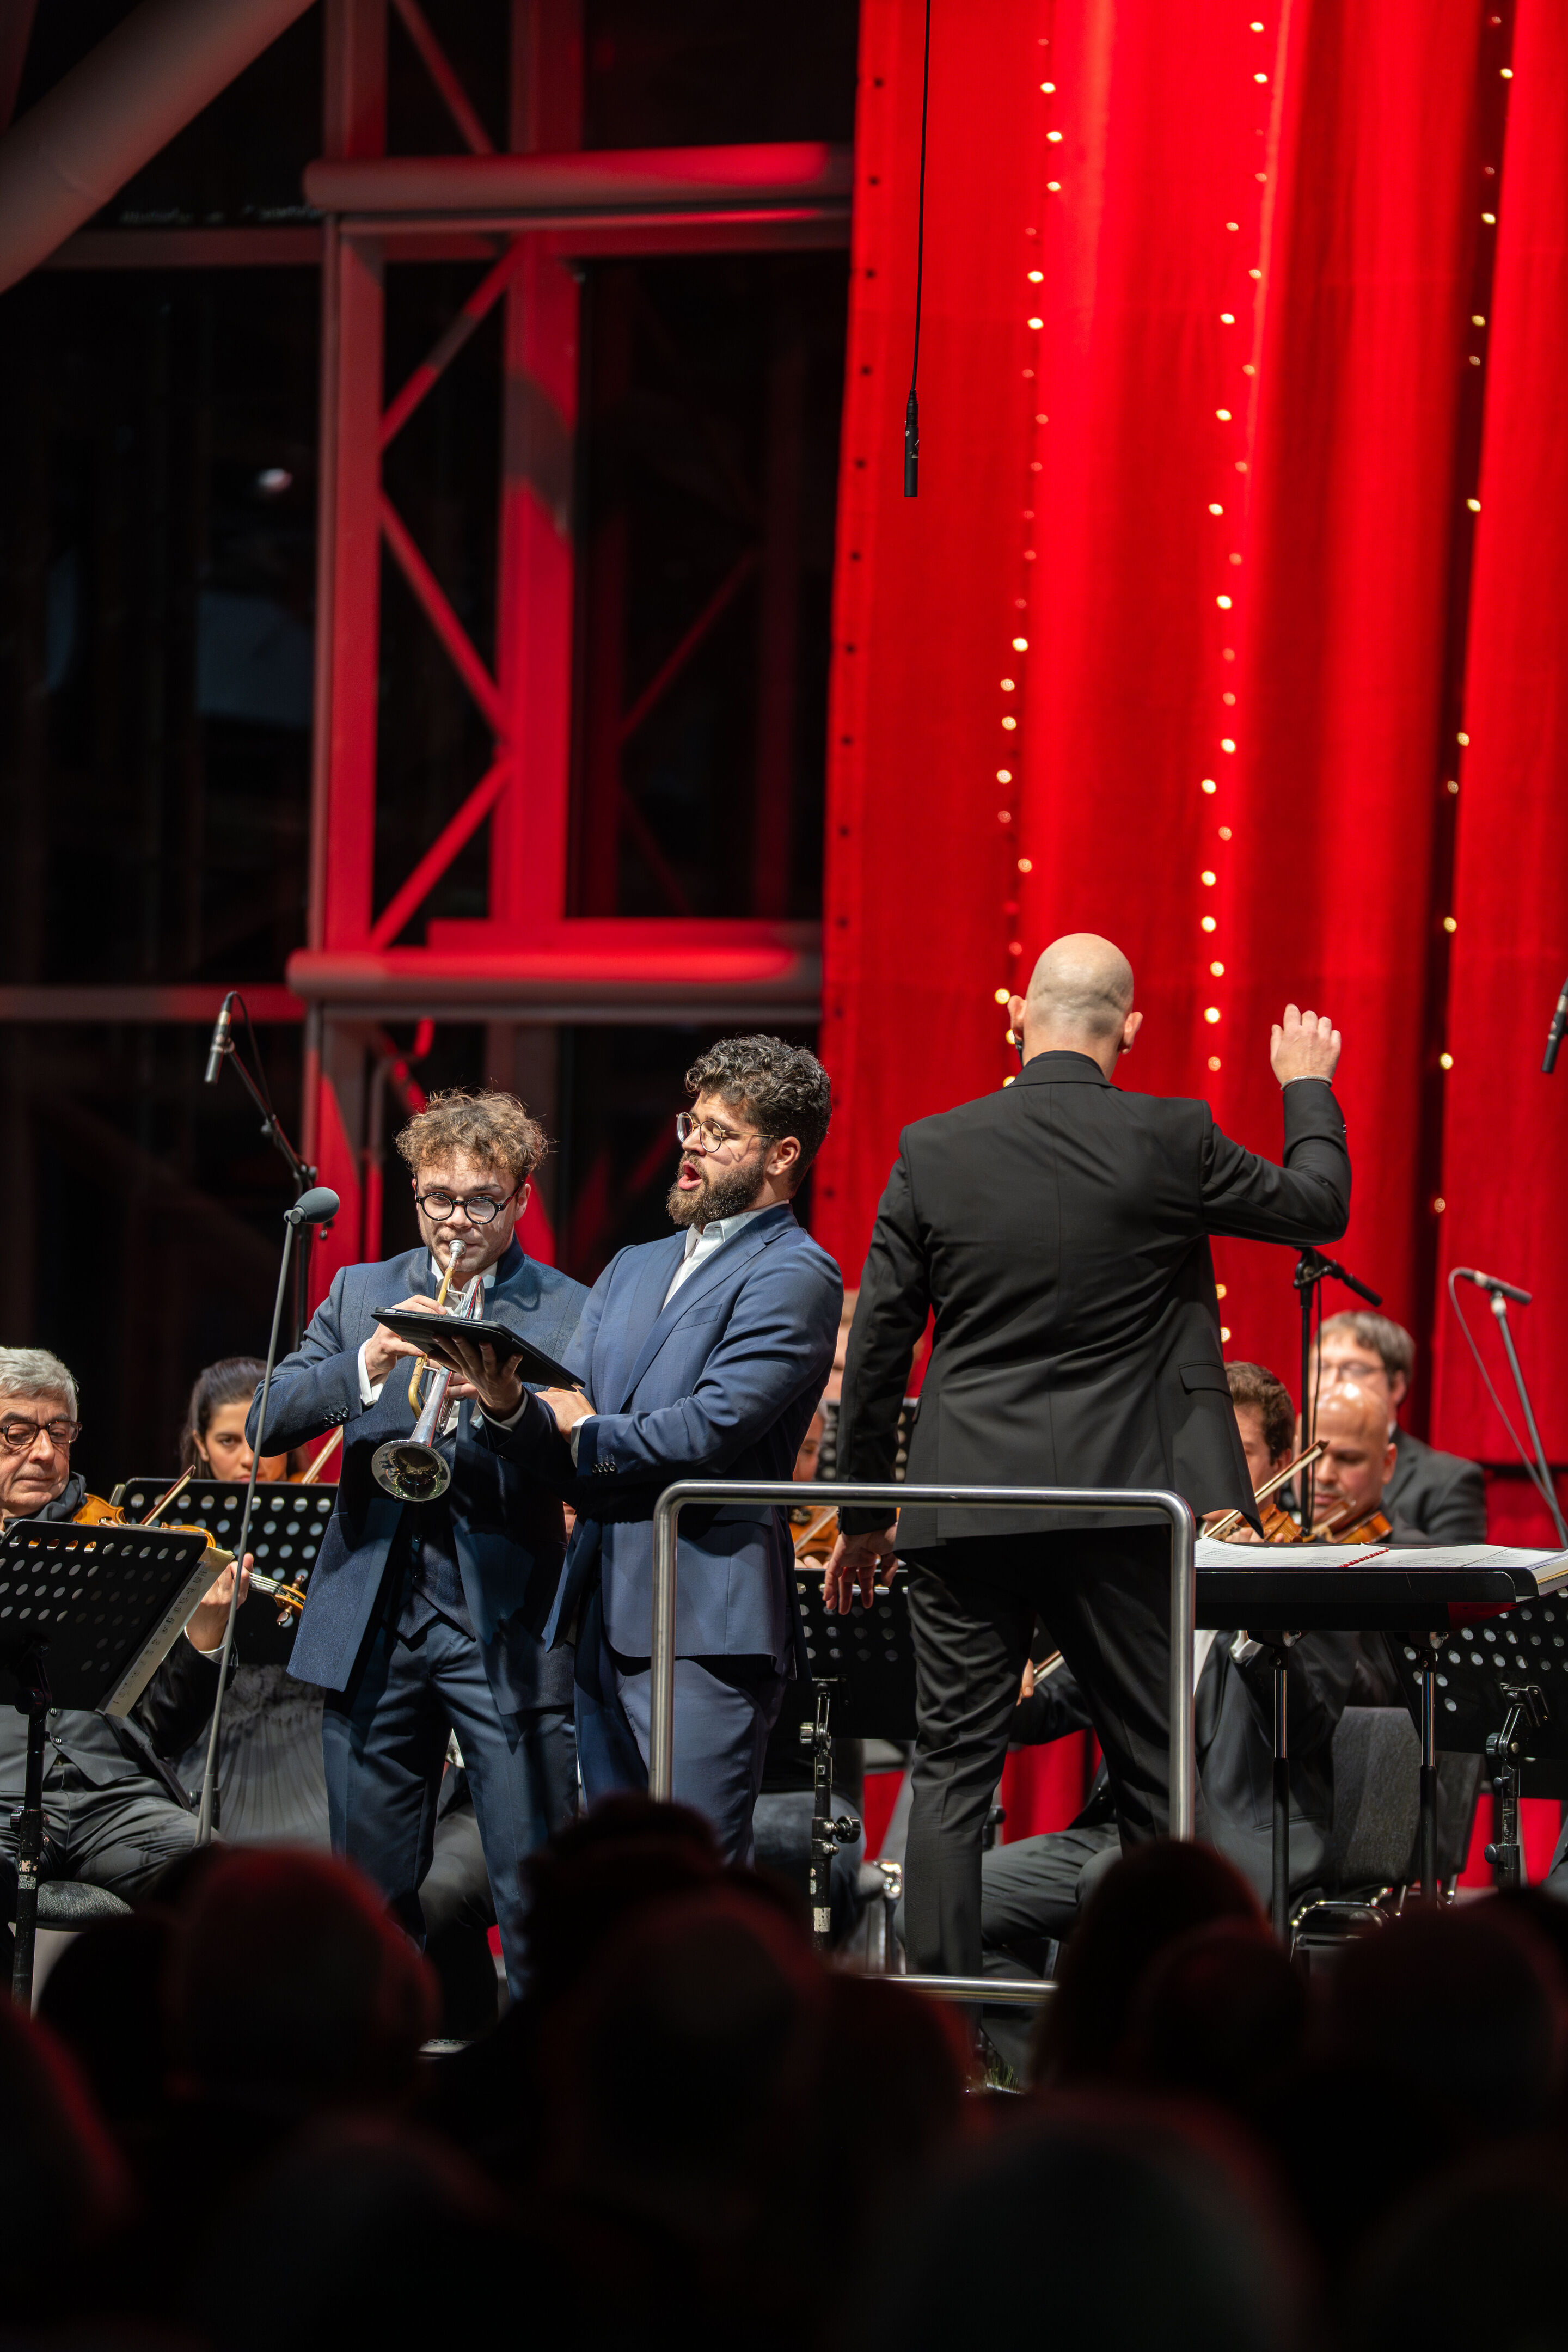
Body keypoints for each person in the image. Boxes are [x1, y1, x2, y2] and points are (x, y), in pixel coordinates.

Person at [827, 934, 1351, 1977]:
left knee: (951, 1776)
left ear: (1015, 1014)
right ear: (1133, 1029)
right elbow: (1318, 1210)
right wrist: (1306, 1089)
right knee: (1160, 1777)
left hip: (963, 1506)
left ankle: (947, 2034)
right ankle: (1167, 2020)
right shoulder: (1172, 1135)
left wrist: (865, 1517)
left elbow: (880, 1344)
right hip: (1121, 1508)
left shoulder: (934, 1146)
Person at [445, 1036, 841, 1863]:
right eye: (690, 1123)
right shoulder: (633, 1266)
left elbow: (710, 1427)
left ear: (783, 1154)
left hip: (705, 1620)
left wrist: (581, 1426)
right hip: (600, 1607)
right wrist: (507, 1403)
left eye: (718, 1132)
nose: (690, 1143)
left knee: (689, 1882)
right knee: (617, 1888)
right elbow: (566, 1434)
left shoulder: (796, 1272)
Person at [249, 1089, 588, 1998]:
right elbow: (265, 1420)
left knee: (532, 1881)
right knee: (366, 1892)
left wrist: (510, 1408)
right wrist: (371, 1360)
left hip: (501, 1620)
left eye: (480, 1200)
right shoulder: (362, 1290)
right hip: (374, 1613)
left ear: (520, 1199)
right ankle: (374, 2069)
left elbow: (584, 1471)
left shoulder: (569, 1309)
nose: (456, 1221)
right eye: (437, 1197)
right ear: (414, 1194)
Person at [977, 1361, 1356, 2063]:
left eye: (1236, 1452)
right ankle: (1052, 2071)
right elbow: (1046, 1712)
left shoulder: (1315, 1578)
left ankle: (1115, 2077)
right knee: (938, 1906)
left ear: (1279, 1463)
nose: (1209, 1471)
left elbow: (1308, 1725)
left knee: (1113, 1886)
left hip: (1242, 1841)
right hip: (1120, 1831)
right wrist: (999, 1678)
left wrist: (1256, 1615)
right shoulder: (1145, 1579)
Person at [0, 1346, 249, 1917]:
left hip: (112, 1800)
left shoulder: (112, 1543)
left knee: (232, 1887)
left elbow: (162, 1725)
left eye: (58, 1433)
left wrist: (205, 1638)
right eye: (17, 1434)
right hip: (2, 1799)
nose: (43, 1453)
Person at [1318, 1309, 1485, 1542]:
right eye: (1321, 1368)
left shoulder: (1449, 1481)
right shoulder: (1290, 1471)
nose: (1331, 1383)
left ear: (1397, 1385)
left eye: (1354, 1369)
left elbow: (1455, 1576)